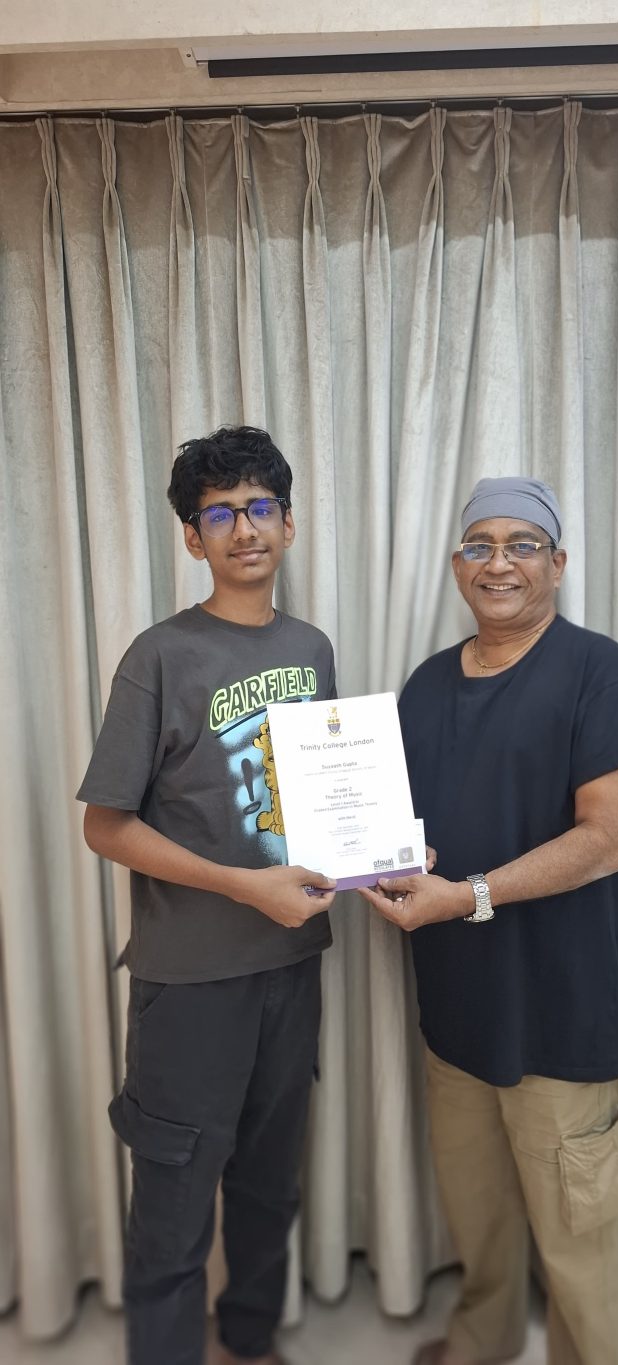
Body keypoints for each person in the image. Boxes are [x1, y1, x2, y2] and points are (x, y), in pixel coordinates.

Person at [362, 477, 618, 1365]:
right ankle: (482, 1339)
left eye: (522, 544)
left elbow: (610, 837)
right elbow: (396, 825)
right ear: (458, 565)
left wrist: (467, 894)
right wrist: (382, 859)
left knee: (580, 1249)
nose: (499, 562)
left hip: (564, 1022)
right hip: (457, 1018)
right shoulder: (425, 687)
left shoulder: (601, 673)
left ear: (558, 564)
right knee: (479, 1220)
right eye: (480, 545)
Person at [77, 426, 337, 1365]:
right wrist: (240, 885)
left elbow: (324, 797)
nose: (244, 528)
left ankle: (252, 1344)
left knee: (269, 1189)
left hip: (291, 970)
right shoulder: (159, 655)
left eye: (260, 507)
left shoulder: (312, 648)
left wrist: (381, 851)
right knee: (174, 1211)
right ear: (193, 538)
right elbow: (105, 824)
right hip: (189, 984)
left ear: (289, 523)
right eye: (219, 514)